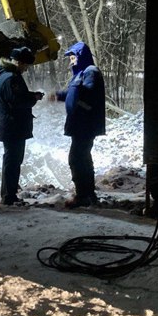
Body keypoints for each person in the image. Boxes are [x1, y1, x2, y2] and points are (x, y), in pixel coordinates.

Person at [51, 41, 106, 209]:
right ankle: (88, 193)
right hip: (82, 125)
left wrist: (75, 99)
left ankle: (83, 195)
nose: (71, 61)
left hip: (85, 125)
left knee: (76, 159)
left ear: (82, 57)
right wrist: (60, 96)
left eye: (74, 57)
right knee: (83, 158)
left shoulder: (91, 72)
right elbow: (75, 93)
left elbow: (87, 93)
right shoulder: (84, 72)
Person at [0, 46, 44, 206]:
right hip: (13, 125)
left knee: (11, 159)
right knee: (13, 160)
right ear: (18, 62)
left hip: (10, 124)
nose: (26, 69)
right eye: (25, 65)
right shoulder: (11, 78)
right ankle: (9, 196)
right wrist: (33, 99)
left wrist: (30, 95)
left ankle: (9, 193)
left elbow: (15, 97)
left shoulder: (3, 75)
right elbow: (16, 101)